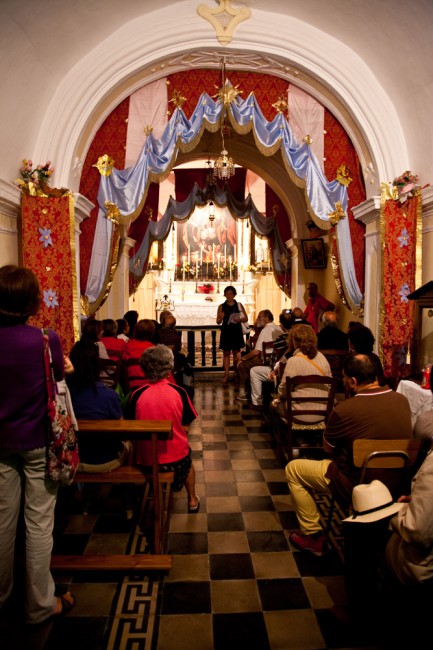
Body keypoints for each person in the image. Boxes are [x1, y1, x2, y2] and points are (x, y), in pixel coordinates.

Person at [0, 265, 75, 623]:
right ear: (32, 301)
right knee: (39, 523)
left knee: (2, 522)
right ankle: (39, 604)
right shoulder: (45, 339)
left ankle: (1, 596)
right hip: (38, 440)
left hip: (1, 440)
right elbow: (59, 374)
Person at [285, 353, 412, 556]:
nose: (343, 382)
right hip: (396, 484)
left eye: (344, 378)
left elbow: (328, 448)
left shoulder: (345, 409)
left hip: (357, 483)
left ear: (353, 381)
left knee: (293, 469)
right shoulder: (402, 400)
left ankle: (313, 536)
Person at [127, 345, 200, 512]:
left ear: (144, 368)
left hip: (145, 458)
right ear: (169, 368)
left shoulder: (137, 394)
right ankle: (192, 499)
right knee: (188, 464)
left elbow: (131, 425)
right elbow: (186, 427)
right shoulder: (179, 392)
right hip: (176, 458)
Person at [67, 339, 129, 471]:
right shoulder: (109, 395)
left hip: (73, 459)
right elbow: (122, 431)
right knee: (129, 445)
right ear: (97, 365)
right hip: (104, 461)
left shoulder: (65, 395)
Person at [271, 324, 332, 421]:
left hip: (298, 413)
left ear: (294, 342)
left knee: (273, 405)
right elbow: (329, 386)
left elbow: (283, 391)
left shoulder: (293, 361)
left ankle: (283, 429)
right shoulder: (322, 358)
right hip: (323, 412)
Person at [248, 311, 295, 411]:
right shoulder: (298, 339)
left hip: (281, 371)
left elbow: (274, 362)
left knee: (254, 371)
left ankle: (257, 403)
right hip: (292, 371)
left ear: (282, 325)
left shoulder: (280, 339)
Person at [235, 309, 281, 401]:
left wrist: (242, 359)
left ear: (267, 318)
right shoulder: (279, 328)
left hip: (266, 361)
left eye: (259, 317)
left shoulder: (266, 330)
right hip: (277, 360)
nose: (257, 319)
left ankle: (245, 393)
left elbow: (256, 351)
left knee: (243, 365)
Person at [216, 285, 248, 384]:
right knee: (226, 353)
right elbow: (218, 321)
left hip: (236, 331)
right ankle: (226, 374)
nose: (229, 295)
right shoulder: (221, 306)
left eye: (231, 293)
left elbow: (246, 318)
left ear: (234, 294)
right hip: (226, 331)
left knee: (236, 353)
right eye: (227, 294)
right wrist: (221, 317)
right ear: (225, 295)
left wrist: (239, 319)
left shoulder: (239, 305)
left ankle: (236, 374)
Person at [121, 319, 155, 392]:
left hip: (130, 386)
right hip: (149, 386)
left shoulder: (127, 346)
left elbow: (123, 367)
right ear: (151, 333)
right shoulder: (152, 349)